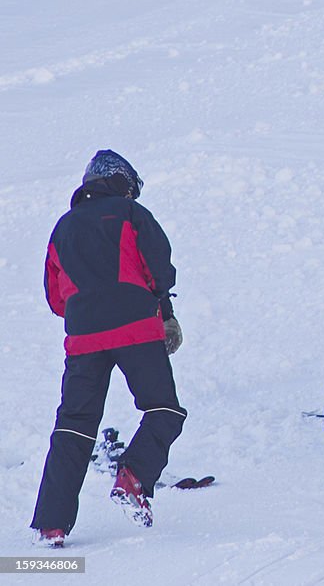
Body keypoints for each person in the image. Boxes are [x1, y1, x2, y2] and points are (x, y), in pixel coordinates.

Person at [32, 150, 186, 547]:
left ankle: (51, 525)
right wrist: (163, 312)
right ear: (123, 183)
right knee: (164, 410)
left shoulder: (62, 227)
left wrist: (88, 310)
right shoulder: (132, 215)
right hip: (136, 327)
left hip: (84, 338)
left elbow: (55, 298)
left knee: (73, 427)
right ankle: (133, 477)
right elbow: (160, 270)